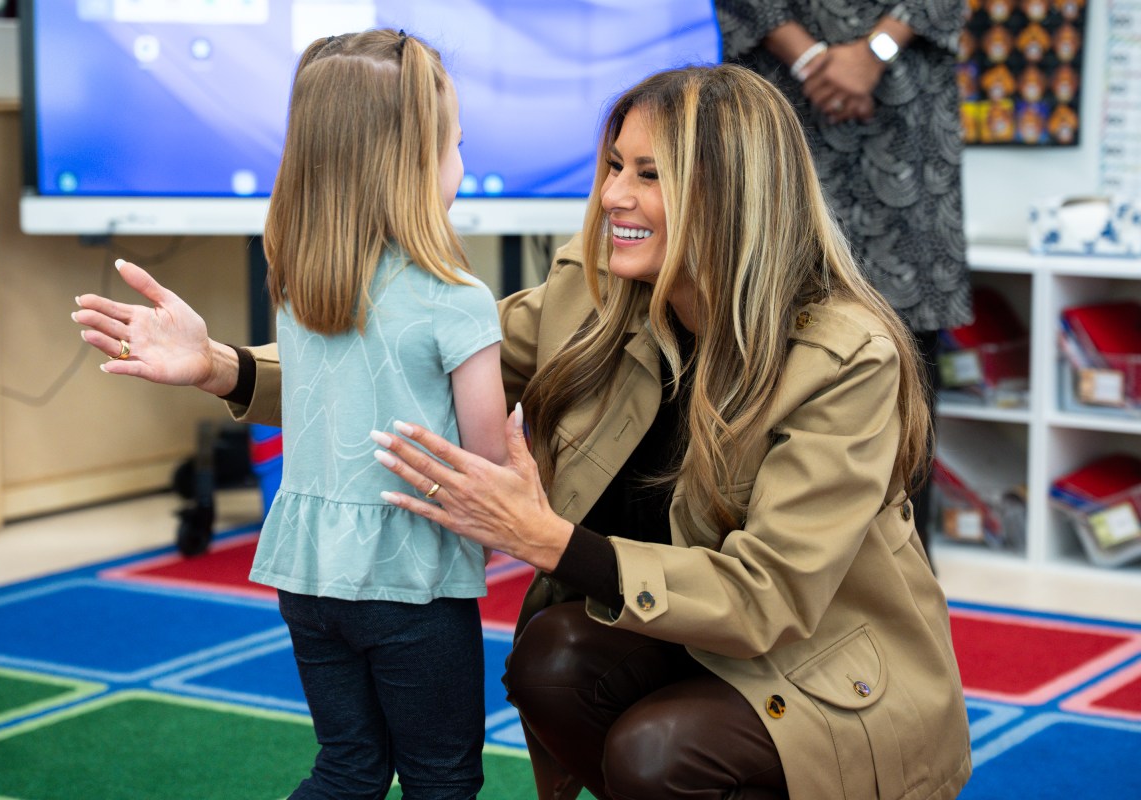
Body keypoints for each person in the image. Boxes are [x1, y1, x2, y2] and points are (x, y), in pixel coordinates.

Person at [74, 64, 971, 799]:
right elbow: (401, 363)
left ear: (733, 191)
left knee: (660, 755)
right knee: (551, 656)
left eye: (650, 174)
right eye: (614, 163)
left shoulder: (845, 355)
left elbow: (767, 596)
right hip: (682, 636)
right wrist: (221, 365)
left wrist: (546, 539)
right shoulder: (596, 287)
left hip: (818, 673)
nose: (614, 194)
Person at [79, 29, 505, 800]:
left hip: (308, 582)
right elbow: (488, 470)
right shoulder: (459, 301)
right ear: (414, 163)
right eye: (456, 147)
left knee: (347, 768)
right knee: (443, 779)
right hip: (412, 583)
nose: (462, 166)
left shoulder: (302, 286)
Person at [714, 0, 975, 556]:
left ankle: (905, 580)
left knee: (909, 371)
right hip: (783, 109)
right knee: (769, 335)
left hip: (906, 112)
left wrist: (876, 51)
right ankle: (769, 568)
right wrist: (808, 57)